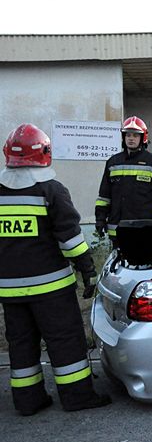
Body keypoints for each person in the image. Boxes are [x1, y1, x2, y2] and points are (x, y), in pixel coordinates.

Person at [1, 124, 111, 416]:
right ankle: (77, 397)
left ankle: (28, 401)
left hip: (9, 291)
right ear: (45, 154)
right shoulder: (51, 190)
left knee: (21, 344)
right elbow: (71, 240)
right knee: (65, 341)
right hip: (50, 289)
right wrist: (87, 270)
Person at [95, 116, 152, 241]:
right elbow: (104, 196)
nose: (131, 138)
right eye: (128, 135)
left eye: (135, 135)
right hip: (117, 227)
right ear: (123, 137)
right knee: (118, 260)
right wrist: (100, 219)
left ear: (142, 138)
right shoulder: (113, 162)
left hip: (144, 228)